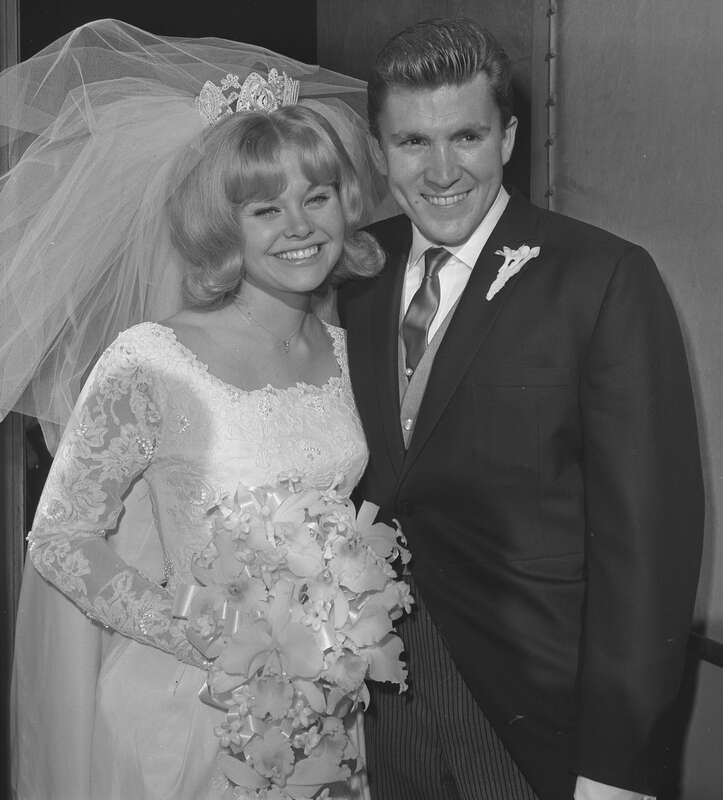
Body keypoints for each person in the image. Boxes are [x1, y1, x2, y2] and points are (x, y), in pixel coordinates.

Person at [2, 20, 388, 800]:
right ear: (223, 223)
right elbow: (60, 537)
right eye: (264, 210)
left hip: (321, 710)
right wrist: (204, 633)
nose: (299, 228)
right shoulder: (153, 360)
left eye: (315, 198)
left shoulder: (352, 353)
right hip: (183, 712)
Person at [338, 17, 704, 800]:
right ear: (377, 151)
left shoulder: (602, 277)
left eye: (465, 136)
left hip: (534, 720)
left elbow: (649, 548)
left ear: (506, 138)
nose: (441, 171)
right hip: (372, 712)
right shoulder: (352, 275)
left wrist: (617, 766)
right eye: (411, 143)